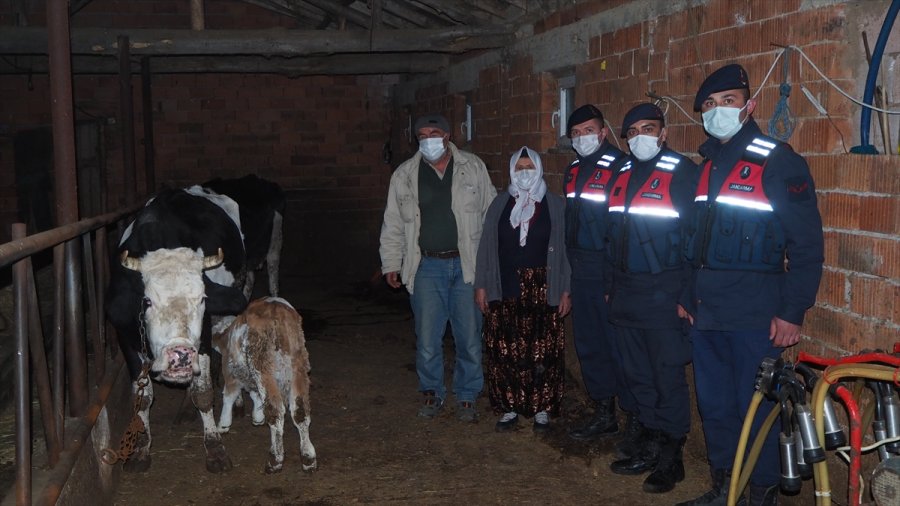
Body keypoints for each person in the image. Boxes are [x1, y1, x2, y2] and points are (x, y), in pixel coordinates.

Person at [676, 64, 824, 506]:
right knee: (716, 406)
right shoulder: (705, 167)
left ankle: (760, 494)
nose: (717, 111)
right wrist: (687, 296)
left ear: (750, 105)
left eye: (728, 102)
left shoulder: (779, 160)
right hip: (707, 312)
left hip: (756, 315)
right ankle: (726, 488)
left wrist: (793, 310)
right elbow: (693, 239)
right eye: (709, 105)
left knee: (756, 411)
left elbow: (806, 244)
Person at [602, 103, 697, 495]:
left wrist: (688, 295)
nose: (641, 135)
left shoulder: (683, 172)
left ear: (663, 132)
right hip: (625, 291)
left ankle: (671, 455)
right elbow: (612, 234)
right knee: (637, 373)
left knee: (666, 374)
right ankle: (650, 442)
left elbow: (697, 239)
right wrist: (610, 284)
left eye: (649, 128)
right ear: (625, 137)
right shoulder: (621, 173)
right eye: (633, 130)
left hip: (664, 291)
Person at [379, 113, 497, 423]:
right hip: (426, 265)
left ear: (447, 135)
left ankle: (468, 394)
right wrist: (392, 261)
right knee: (427, 336)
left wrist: (490, 266)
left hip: (466, 264)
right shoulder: (404, 175)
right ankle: (432, 390)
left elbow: (491, 215)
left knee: (469, 334)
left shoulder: (474, 167)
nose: (427, 139)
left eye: (433, 133)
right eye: (421, 135)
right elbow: (393, 222)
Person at [474, 147, 572, 433]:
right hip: (505, 284)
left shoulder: (555, 205)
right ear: (512, 171)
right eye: (519, 167)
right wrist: (482, 284)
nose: (525, 172)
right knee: (505, 347)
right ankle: (510, 406)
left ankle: (541, 407)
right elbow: (486, 248)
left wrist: (565, 288)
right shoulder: (499, 204)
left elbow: (564, 251)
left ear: (539, 169)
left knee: (543, 348)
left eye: (530, 166)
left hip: (544, 286)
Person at [563, 104, 638, 440]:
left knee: (619, 346)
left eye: (589, 130)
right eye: (576, 134)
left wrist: (615, 274)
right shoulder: (573, 170)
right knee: (590, 343)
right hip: (581, 270)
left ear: (604, 132)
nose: (583, 138)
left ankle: (635, 418)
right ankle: (604, 411)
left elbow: (624, 226)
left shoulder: (621, 167)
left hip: (608, 271)